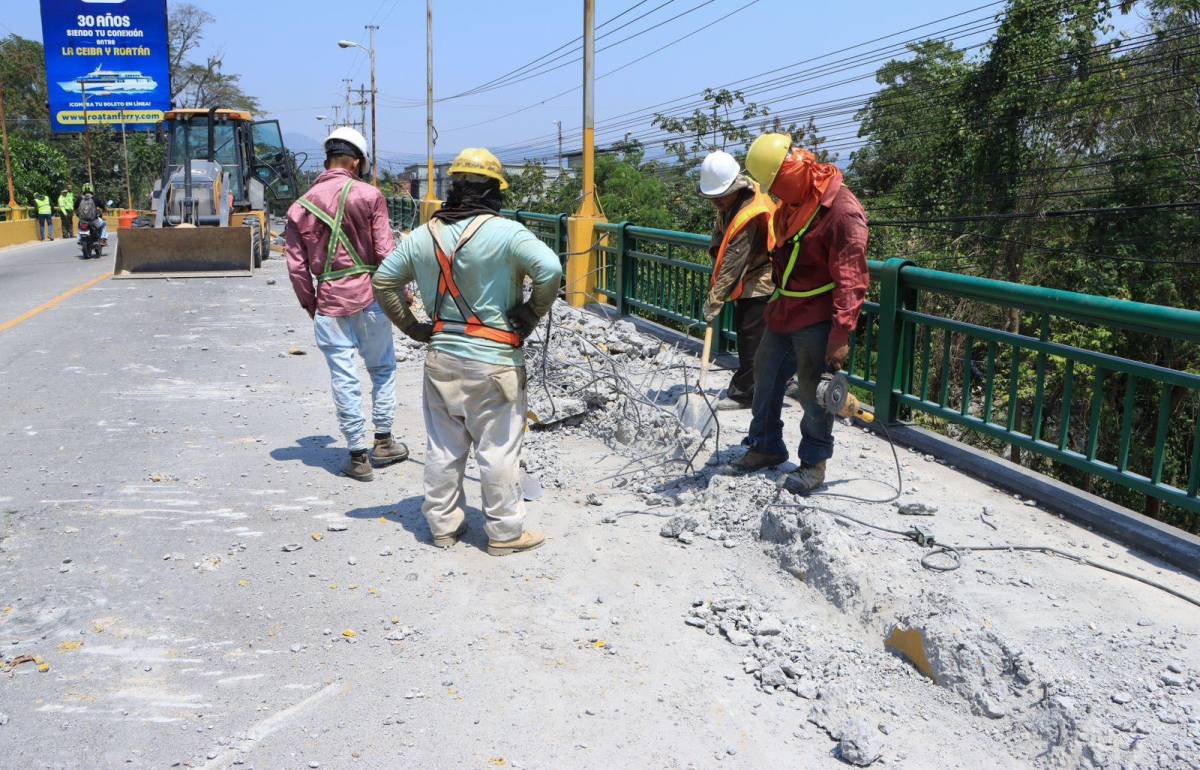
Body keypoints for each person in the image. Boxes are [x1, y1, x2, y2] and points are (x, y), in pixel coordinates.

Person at [373, 147, 562, 557]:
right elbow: (551, 270)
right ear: (495, 190)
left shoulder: (423, 236)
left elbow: (383, 281)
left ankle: (443, 528)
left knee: (444, 446)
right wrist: (530, 312)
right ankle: (504, 534)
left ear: (453, 190)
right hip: (495, 360)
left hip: (441, 356)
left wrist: (412, 327)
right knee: (497, 450)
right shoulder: (508, 233)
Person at [733, 134, 870, 495]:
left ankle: (813, 464)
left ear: (793, 172)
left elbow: (852, 278)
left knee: (814, 392)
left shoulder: (841, 211)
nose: (776, 193)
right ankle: (765, 446)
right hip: (785, 309)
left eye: (778, 184)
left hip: (816, 315)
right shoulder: (793, 206)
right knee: (765, 373)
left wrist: (840, 334)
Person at [284, 126, 407, 481]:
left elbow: (296, 267)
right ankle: (383, 441)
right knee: (381, 369)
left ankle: (357, 456)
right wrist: (403, 291)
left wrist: (313, 304)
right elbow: (386, 253)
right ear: (356, 161)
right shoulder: (369, 196)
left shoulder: (299, 207)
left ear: (328, 159)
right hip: (371, 298)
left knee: (344, 378)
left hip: (329, 302)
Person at [697, 150, 776, 410]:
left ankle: (745, 393)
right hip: (750, 275)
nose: (716, 202)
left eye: (720, 197)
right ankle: (773, 381)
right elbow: (721, 235)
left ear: (734, 186)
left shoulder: (750, 213)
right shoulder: (733, 202)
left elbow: (734, 260)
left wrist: (715, 298)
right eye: (712, 198)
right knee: (754, 336)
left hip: (762, 278)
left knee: (751, 338)